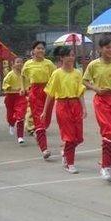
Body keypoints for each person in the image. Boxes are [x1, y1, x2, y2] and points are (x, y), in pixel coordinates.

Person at [83, 37, 111, 182]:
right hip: (101, 99)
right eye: (107, 47)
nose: (110, 50)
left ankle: (106, 162)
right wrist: (95, 88)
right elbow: (85, 80)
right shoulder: (93, 65)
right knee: (109, 130)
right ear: (100, 49)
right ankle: (106, 167)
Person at [42, 46, 86, 174]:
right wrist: (45, 111)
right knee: (69, 136)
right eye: (68, 55)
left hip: (76, 105)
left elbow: (80, 92)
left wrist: (84, 108)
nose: (71, 58)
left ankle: (66, 151)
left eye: (73, 55)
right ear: (61, 58)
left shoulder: (77, 73)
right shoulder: (57, 73)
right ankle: (69, 163)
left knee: (78, 138)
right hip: (62, 105)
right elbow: (50, 93)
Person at [21, 41, 56, 159]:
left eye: (42, 48)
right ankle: (44, 149)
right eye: (38, 48)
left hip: (48, 91)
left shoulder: (49, 64)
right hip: (35, 93)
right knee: (39, 119)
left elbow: (55, 77)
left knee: (46, 120)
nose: (40, 50)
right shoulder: (28, 64)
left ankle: (38, 133)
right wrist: (23, 88)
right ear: (33, 50)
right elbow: (23, 76)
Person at [2, 57, 28, 144]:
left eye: (21, 62)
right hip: (10, 96)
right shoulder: (10, 74)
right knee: (10, 115)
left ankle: (20, 136)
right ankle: (11, 124)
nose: (19, 64)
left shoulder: (24, 75)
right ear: (13, 64)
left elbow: (28, 85)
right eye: (17, 62)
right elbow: (5, 84)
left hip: (20, 97)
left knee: (21, 115)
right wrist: (11, 88)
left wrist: (25, 90)